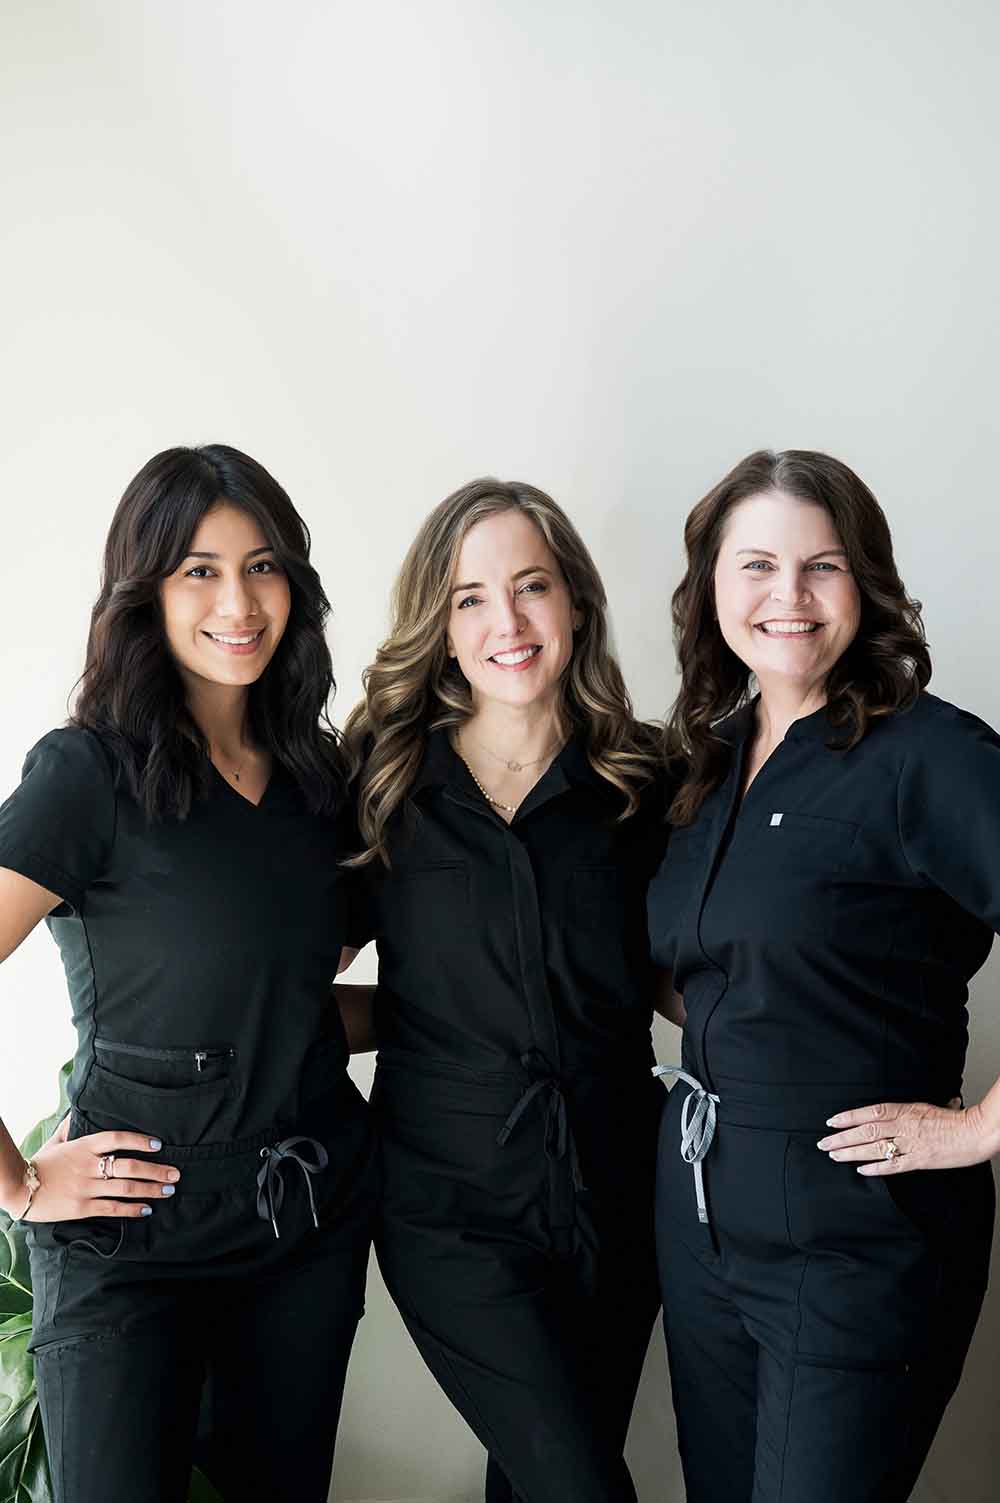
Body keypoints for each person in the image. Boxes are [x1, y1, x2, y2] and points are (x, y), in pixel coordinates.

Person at [0, 445, 377, 1503]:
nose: (239, 601)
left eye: (262, 566)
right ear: (146, 591)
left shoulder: (319, 777)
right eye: (199, 571)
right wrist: (20, 1186)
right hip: (132, 1236)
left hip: (301, 1224)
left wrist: (456, 1016)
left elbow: (286, 1002)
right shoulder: (86, 774)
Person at [647, 448, 998, 1503]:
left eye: (823, 567)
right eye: (754, 566)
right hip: (699, 1220)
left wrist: (976, 1128)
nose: (785, 598)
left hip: (857, 1236)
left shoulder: (930, 757)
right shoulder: (703, 761)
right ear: (712, 588)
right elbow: (712, 971)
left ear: (868, 585)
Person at [338, 478, 668, 1503]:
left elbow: (675, 979)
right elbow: (296, 978)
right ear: (438, 627)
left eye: (531, 586)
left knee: (539, 1481)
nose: (507, 622)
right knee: (579, 1486)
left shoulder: (646, 783)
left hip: (622, 1191)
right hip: (449, 1204)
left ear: (575, 603)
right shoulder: (383, 785)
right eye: (471, 598)